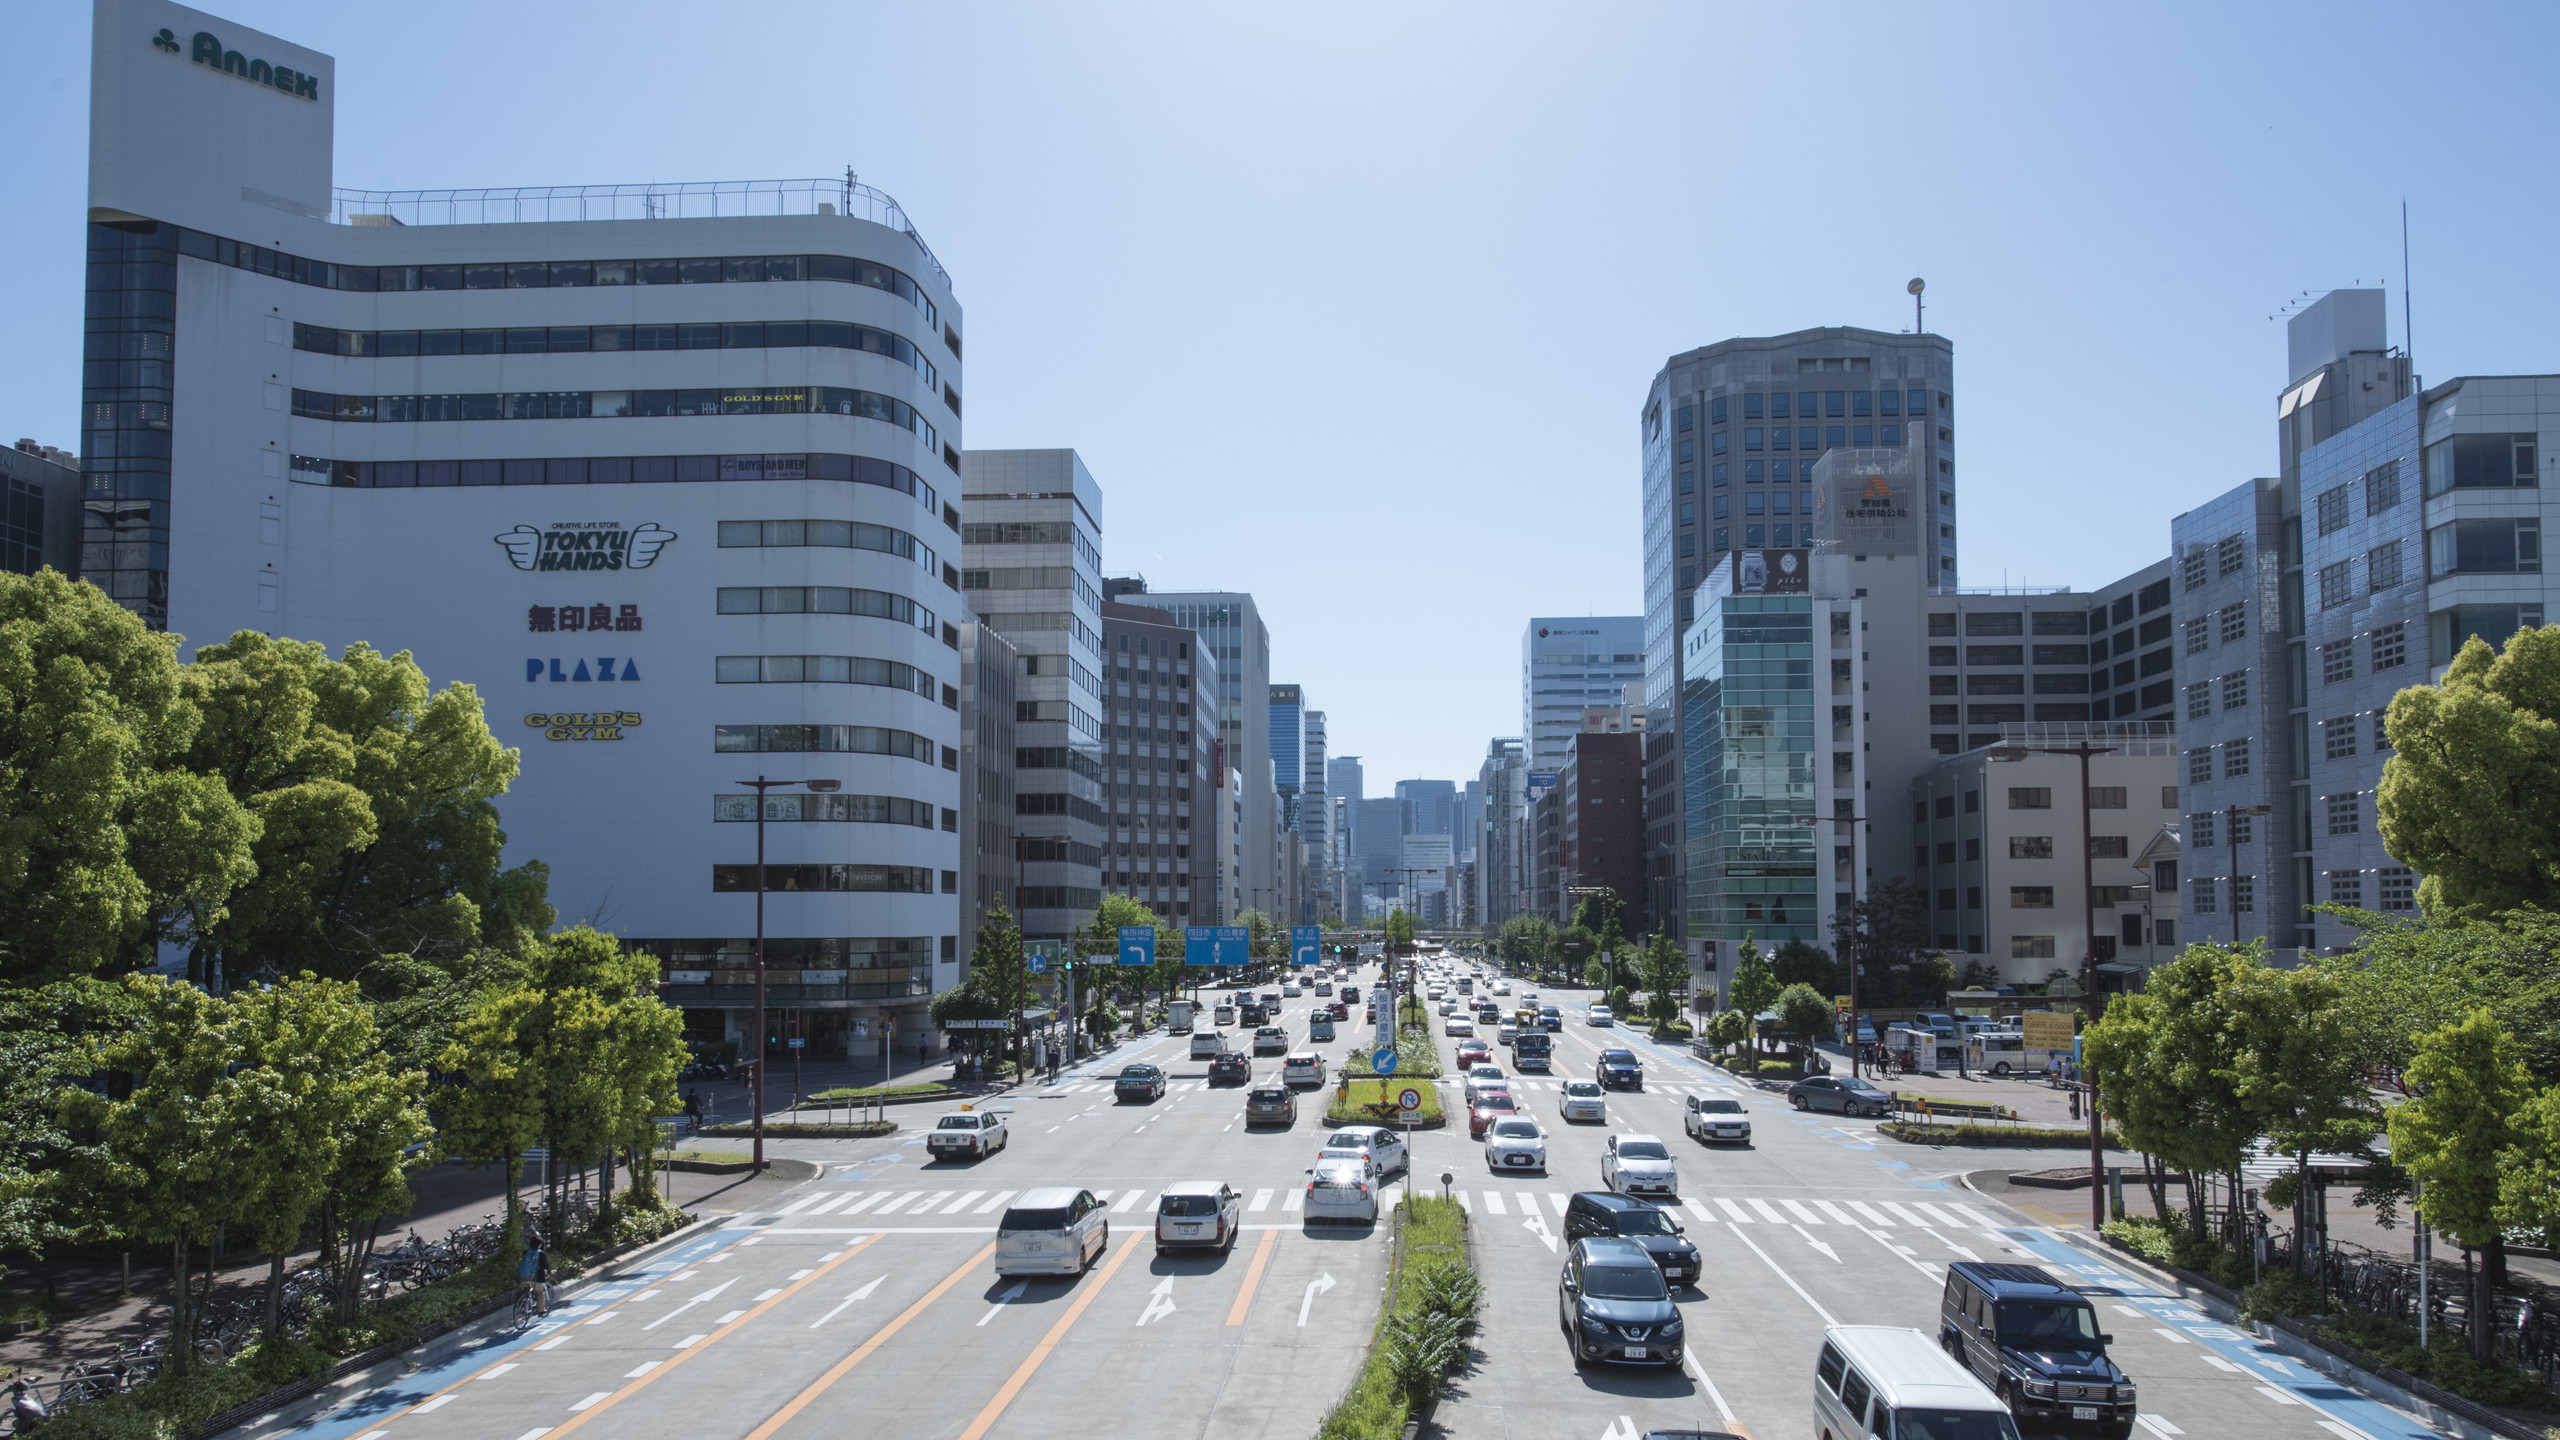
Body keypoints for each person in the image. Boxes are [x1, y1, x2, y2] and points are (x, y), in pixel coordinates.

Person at [517, 1236, 551, 1316]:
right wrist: (550, 1271)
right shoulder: (540, 1253)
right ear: (539, 1245)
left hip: (523, 1276)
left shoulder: (526, 1252)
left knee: (526, 1290)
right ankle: (541, 1310)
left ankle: (523, 1304)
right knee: (539, 1292)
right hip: (535, 1277)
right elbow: (545, 1264)